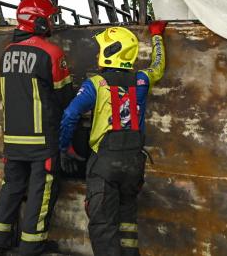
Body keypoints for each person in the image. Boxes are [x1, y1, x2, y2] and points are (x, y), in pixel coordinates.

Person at [58, 21, 166, 256]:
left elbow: (70, 114)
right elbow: (158, 66)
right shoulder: (142, 80)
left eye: (102, 48)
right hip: (134, 164)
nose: (98, 53)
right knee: (127, 223)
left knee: (103, 226)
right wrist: (157, 36)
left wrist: (64, 147)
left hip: (104, 165)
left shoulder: (96, 84)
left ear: (111, 52)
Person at [0, 0, 75, 256]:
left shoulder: (6, 54)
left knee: (11, 187)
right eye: (49, 18)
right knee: (41, 193)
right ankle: (31, 246)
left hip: (13, 139)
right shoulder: (51, 52)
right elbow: (65, 97)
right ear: (37, 21)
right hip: (42, 142)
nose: (51, 22)